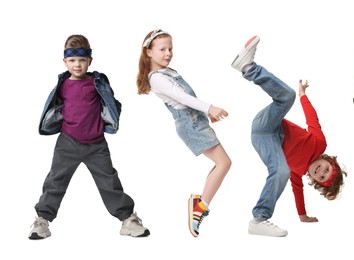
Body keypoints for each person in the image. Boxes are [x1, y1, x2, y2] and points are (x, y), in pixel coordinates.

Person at [29, 34, 150, 240]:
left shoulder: (97, 82)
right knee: (55, 181)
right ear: (65, 61)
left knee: (109, 181)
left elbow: (113, 104)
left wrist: (108, 122)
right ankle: (42, 220)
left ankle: (127, 220)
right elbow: (56, 108)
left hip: (96, 144)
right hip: (67, 142)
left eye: (82, 60)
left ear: (90, 61)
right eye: (73, 60)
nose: (77, 65)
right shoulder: (63, 85)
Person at [230, 36, 347, 237]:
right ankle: (249, 68)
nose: (321, 171)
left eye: (321, 177)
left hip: (264, 140)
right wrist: (303, 95)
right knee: (288, 96)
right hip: (269, 123)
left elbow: (297, 192)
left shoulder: (297, 173)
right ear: (328, 160)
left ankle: (258, 219)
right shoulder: (320, 143)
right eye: (326, 169)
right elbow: (313, 120)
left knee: (281, 171)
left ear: (315, 179)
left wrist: (303, 216)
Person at [136, 29, 232, 237]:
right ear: (149, 52)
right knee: (224, 163)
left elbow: (187, 98)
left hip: (195, 121)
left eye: (170, 48)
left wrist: (207, 113)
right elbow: (183, 98)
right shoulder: (157, 78)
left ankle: (201, 203)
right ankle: (200, 207)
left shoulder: (168, 72)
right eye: (162, 49)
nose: (168, 53)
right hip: (190, 124)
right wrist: (210, 108)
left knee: (221, 163)